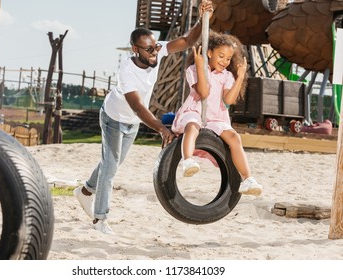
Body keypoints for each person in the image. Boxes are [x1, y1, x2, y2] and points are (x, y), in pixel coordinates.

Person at [74, 1, 214, 234]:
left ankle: (86, 191)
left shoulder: (156, 52)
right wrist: (161, 128)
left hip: (132, 122)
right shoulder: (126, 73)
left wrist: (203, 17)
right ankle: (100, 219)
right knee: (110, 168)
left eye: (156, 48)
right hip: (113, 119)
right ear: (135, 50)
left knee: (113, 162)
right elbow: (139, 107)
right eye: (148, 49)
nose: (154, 52)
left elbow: (189, 41)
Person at [171, 32, 263, 196]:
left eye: (228, 58)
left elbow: (230, 99)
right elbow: (203, 93)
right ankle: (187, 160)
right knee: (192, 126)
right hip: (195, 111)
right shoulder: (193, 69)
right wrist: (200, 66)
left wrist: (240, 77)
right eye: (221, 56)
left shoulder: (227, 76)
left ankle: (247, 179)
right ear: (209, 53)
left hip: (215, 116)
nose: (225, 62)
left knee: (235, 138)